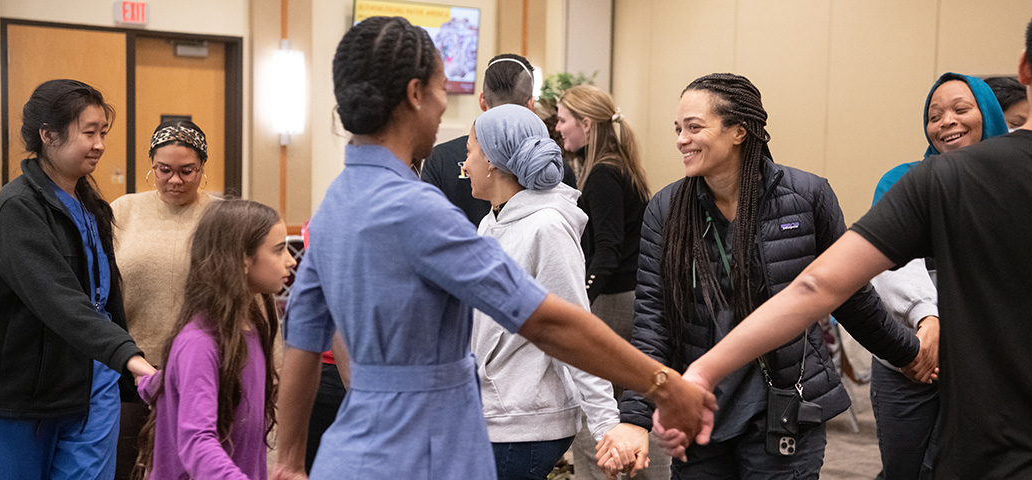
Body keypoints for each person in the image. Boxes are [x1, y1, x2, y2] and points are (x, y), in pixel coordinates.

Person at [675, 1, 1032, 478]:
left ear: (1025, 67)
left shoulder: (943, 180)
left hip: (987, 458)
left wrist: (703, 373)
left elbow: (817, 287)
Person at [269, 16, 715, 480]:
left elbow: (301, 340)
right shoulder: (418, 210)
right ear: (415, 94)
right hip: (427, 448)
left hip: (352, 450)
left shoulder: (335, 206)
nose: (447, 108)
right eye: (444, 89)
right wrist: (663, 384)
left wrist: (288, 462)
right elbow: (547, 321)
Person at [619, 72, 930, 479]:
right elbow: (653, 321)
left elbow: (849, 295)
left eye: (694, 127)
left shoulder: (806, 197)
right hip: (700, 407)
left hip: (785, 406)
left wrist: (906, 353)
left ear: (739, 132)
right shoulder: (667, 210)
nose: (681, 139)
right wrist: (635, 418)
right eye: (678, 129)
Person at [0, 79, 156, 479]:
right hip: (29, 396)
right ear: (48, 135)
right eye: (89, 133)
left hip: (94, 383)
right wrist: (129, 357)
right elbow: (59, 299)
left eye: (102, 132)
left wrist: (119, 361)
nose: (100, 144)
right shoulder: (17, 208)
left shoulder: (90, 203)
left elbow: (105, 299)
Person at [463, 103, 631, 478]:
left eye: (471, 152)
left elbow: (575, 331)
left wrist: (606, 425)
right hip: (493, 412)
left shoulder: (546, 228)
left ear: (491, 159)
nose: (465, 164)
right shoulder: (491, 222)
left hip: (524, 422)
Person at [867, 72, 1007, 480]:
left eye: (961, 110)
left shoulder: (1016, 184)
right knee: (904, 468)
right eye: (934, 114)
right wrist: (928, 318)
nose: (946, 121)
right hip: (910, 356)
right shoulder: (903, 179)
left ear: (990, 117)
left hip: (988, 362)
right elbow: (889, 262)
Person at [131, 200, 293, 480]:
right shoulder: (200, 342)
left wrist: (150, 383)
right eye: (279, 250)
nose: (291, 260)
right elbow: (197, 442)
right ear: (242, 260)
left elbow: (175, 384)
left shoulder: (251, 327)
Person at [554, 85, 667, 479]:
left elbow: (607, 251)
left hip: (614, 301)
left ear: (586, 124)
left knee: (592, 408)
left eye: (563, 119)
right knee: (636, 404)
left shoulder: (602, 174)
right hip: (632, 297)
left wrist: (579, 301)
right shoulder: (620, 165)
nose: (558, 127)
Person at [111, 119, 218, 479]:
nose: (175, 181)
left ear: (202, 168)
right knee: (126, 466)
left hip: (200, 369)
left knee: (189, 467)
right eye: (164, 170)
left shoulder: (221, 217)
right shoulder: (123, 211)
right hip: (131, 366)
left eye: (187, 171)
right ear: (150, 166)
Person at [422, 53, 575, 225]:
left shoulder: (440, 158)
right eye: (469, 151)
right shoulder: (552, 167)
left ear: (482, 100)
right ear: (531, 105)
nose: (466, 164)